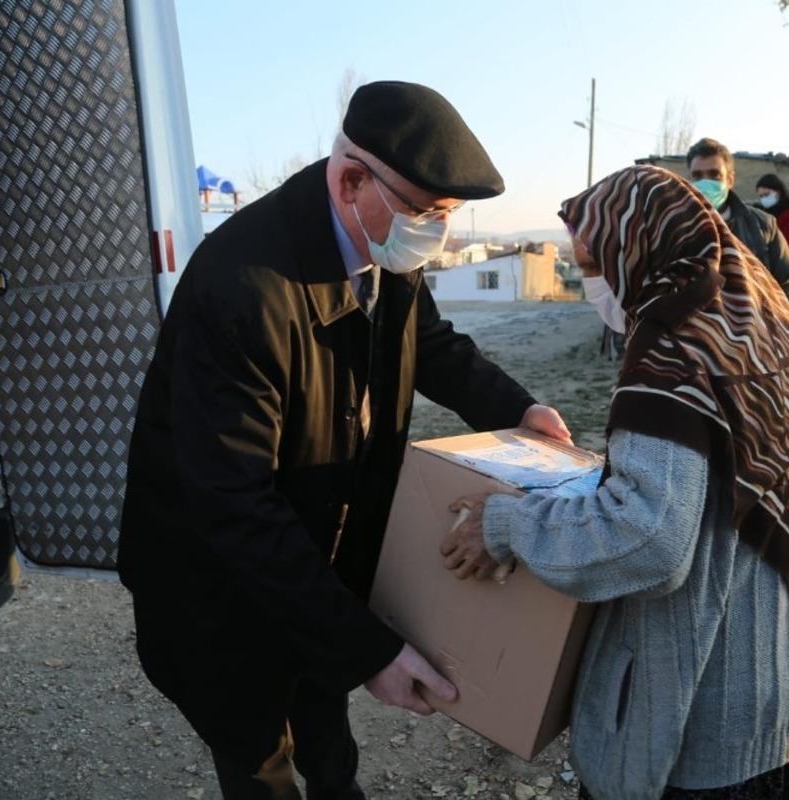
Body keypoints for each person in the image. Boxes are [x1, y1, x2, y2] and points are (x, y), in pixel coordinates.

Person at [117, 80, 570, 800]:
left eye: (447, 216)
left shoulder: (383, 247)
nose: (436, 233)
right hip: (217, 586)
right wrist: (372, 650)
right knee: (256, 748)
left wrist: (522, 411)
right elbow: (233, 505)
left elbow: (432, 344)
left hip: (313, 557)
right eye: (425, 211)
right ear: (353, 179)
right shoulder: (244, 288)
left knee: (325, 721)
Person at [441, 165, 789, 800]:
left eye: (595, 262)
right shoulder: (750, 312)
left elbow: (649, 539)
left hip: (704, 716)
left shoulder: (671, 351)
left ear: (639, 247)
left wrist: (507, 524)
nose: (593, 282)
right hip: (779, 674)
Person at [686, 138, 789, 315]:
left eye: (714, 174)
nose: (705, 182)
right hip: (696, 337)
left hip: (754, 334)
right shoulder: (674, 227)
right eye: (698, 176)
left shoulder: (762, 225)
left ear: (730, 179)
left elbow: (786, 287)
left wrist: (778, 332)